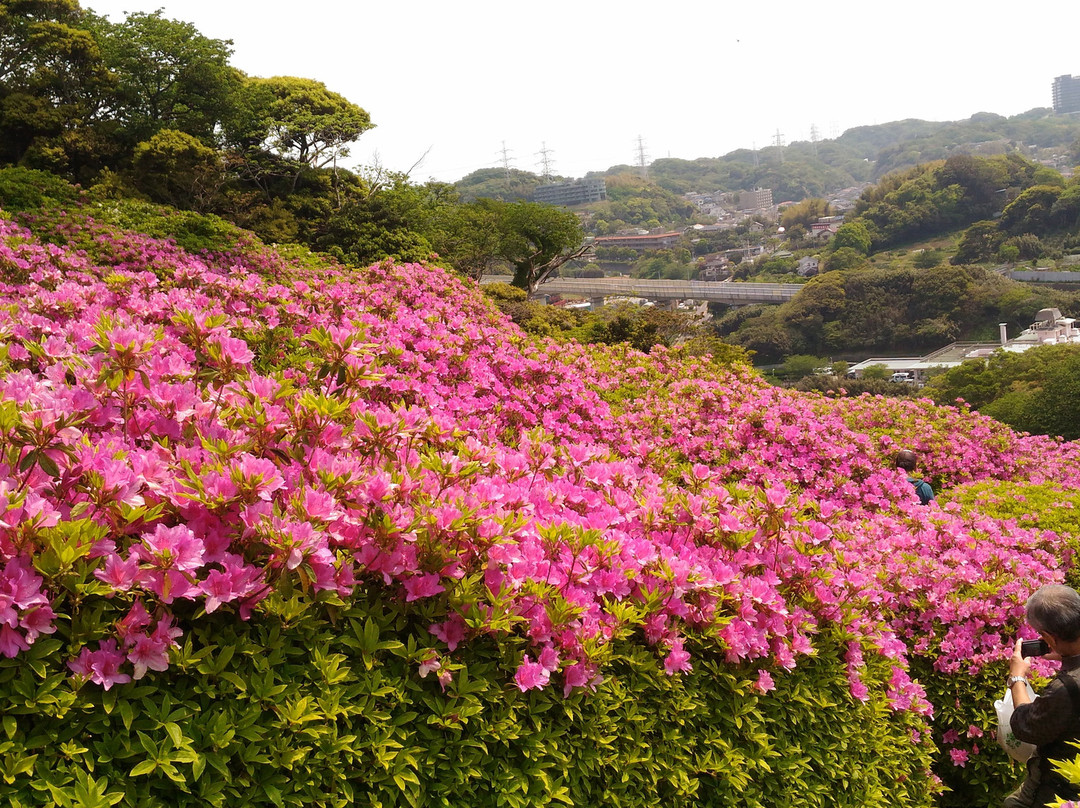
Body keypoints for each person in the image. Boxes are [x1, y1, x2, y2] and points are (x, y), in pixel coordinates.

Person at [1004, 584, 1080, 807]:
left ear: (1048, 637)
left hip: (1062, 788)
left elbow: (1026, 725)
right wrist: (1068, 656)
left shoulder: (1065, 689)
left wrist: (1017, 677)